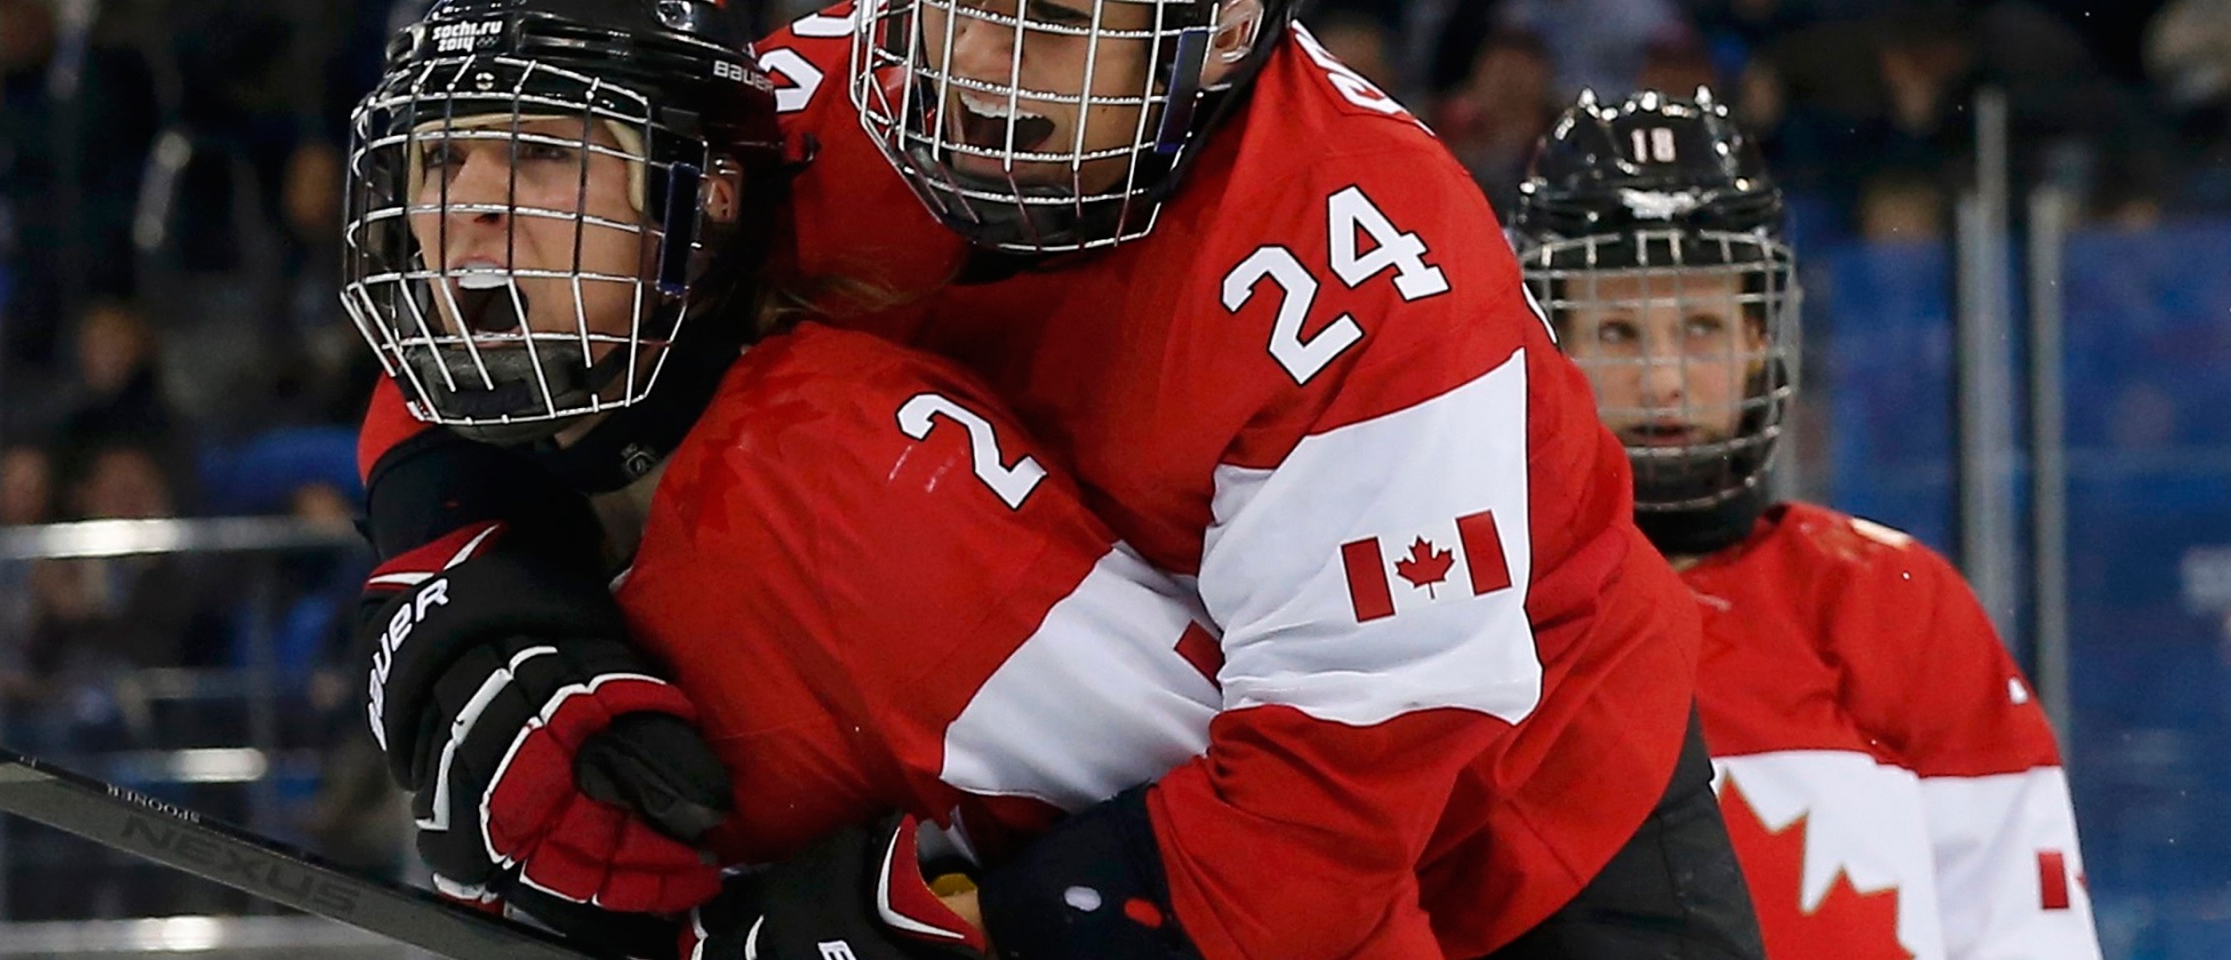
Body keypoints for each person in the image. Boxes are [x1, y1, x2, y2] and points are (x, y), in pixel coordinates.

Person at [359, 1, 1767, 959]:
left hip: (1525, 813)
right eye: (950, 1)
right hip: (1148, 713)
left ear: (1214, 30)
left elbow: (1314, 840)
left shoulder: (1375, 291)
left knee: (836, 469)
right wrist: (464, 587)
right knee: (803, 459)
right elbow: (524, 281)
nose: (976, 63)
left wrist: (936, 917)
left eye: (1048, 16)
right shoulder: (831, 105)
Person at [1508, 89, 2104, 960]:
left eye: (1703, 326)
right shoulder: (1484, 608)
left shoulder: (1891, 602)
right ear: (1548, 342)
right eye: (1617, 330)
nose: (1663, 377)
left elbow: (2022, 930)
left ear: (1762, 341)